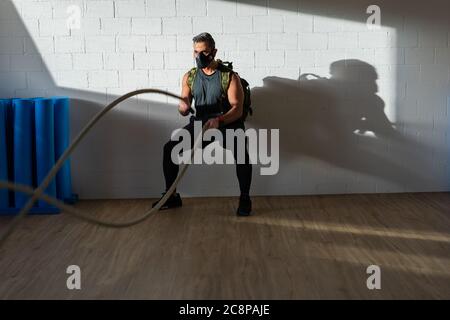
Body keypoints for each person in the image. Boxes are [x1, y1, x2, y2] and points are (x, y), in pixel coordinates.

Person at [152, 32, 253, 216]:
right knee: (170, 149)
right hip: (201, 124)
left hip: (227, 123)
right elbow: (184, 105)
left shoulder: (229, 77)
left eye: (204, 52)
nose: (199, 56)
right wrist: (182, 108)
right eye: (196, 52)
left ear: (214, 52)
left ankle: (245, 198)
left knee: (242, 154)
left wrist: (220, 120)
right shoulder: (189, 77)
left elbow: (237, 109)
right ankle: (171, 196)